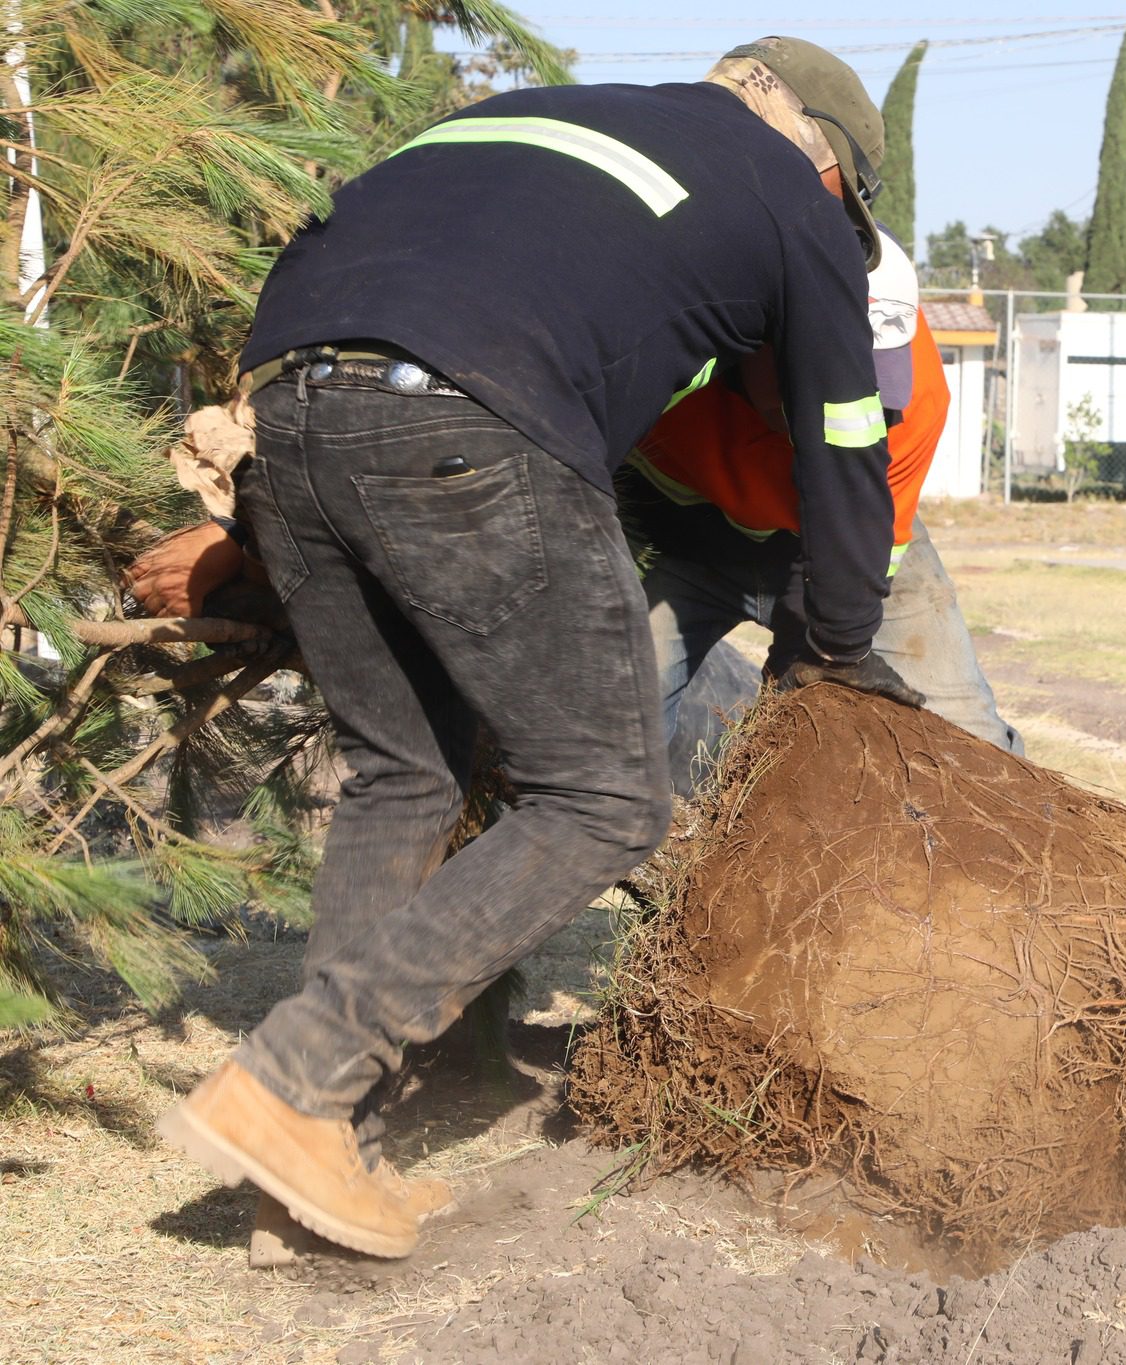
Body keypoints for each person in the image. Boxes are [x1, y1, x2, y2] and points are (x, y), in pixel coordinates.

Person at [146, 37, 910, 1262]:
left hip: (284, 415)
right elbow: (840, 437)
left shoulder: (523, 119)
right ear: (825, 164)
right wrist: (837, 646)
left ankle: (309, 1164)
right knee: (604, 797)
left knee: (405, 775)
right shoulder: (784, 195)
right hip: (469, 419)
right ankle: (294, 1077)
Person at [629, 227, 1022, 788]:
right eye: (812, 370)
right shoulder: (661, 364)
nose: (843, 395)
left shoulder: (917, 401)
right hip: (679, 539)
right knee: (603, 741)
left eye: (861, 376)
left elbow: (857, 556)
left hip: (847, 542)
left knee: (972, 751)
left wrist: (820, 647)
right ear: (749, 333)